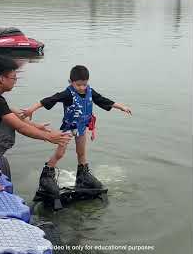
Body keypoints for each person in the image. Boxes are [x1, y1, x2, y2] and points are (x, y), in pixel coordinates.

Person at [21, 65, 132, 196]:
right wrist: (30, 110)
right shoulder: (68, 93)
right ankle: (47, 175)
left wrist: (121, 107)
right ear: (71, 82)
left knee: (81, 152)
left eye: (84, 84)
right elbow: (49, 100)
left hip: (81, 127)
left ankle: (83, 176)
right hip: (68, 127)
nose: (82, 88)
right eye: (78, 85)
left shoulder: (90, 91)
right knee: (60, 153)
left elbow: (103, 100)